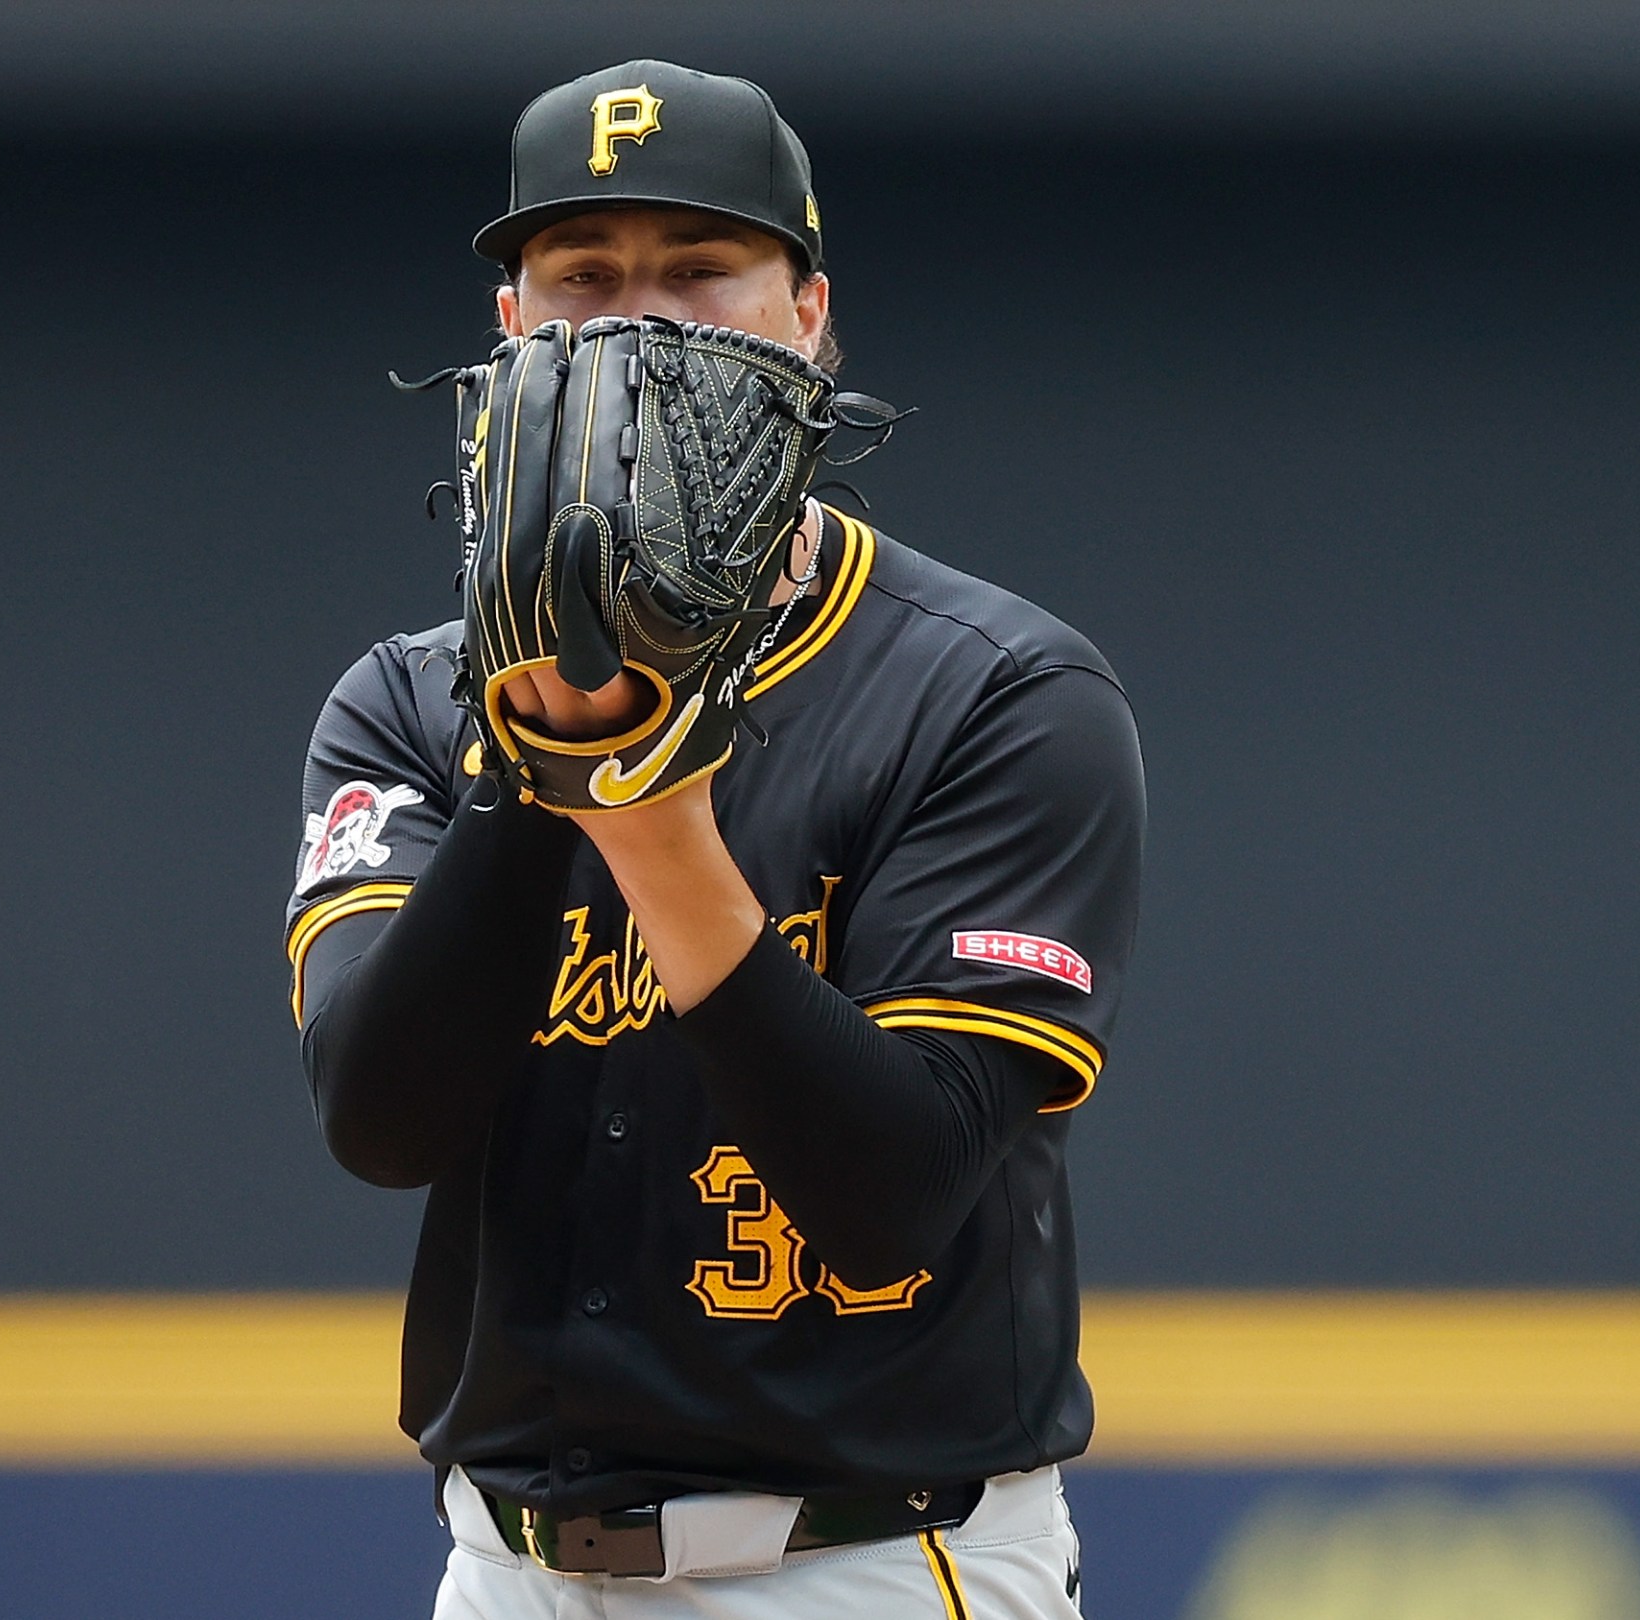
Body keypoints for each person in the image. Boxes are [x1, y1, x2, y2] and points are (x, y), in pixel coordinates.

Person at [284, 60, 1145, 1619]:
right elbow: (380, 1121)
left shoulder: (997, 692)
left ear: (810, 314)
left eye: (700, 272)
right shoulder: (409, 703)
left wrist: (652, 819)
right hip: (511, 1566)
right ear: (510, 332)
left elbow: (894, 1193)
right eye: (583, 279)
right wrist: (536, 766)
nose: (635, 323)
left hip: (869, 1558)